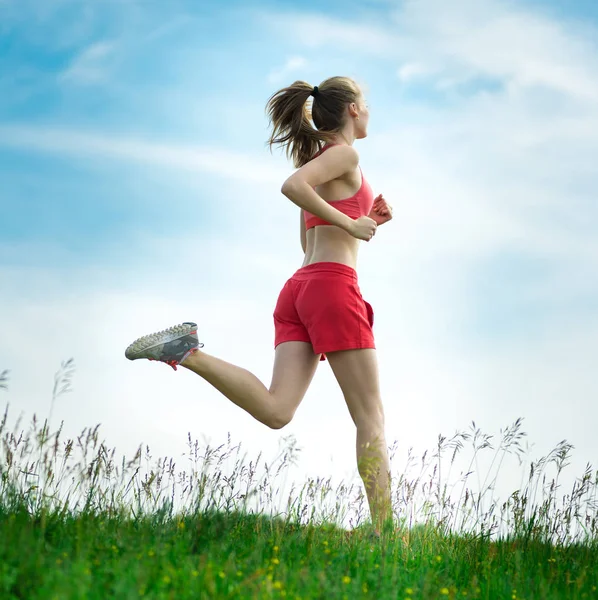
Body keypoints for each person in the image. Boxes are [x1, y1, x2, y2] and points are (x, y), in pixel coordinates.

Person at [125, 76, 395, 537]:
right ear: (351, 109)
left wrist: (363, 222)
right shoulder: (345, 155)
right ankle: (386, 536)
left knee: (277, 411)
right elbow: (292, 187)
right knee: (370, 417)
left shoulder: (322, 161)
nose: (369, 110)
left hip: (301, 289)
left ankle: (186, 350)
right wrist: (352, 226)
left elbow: (308, 238)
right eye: (365, 103)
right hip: (332, 286)